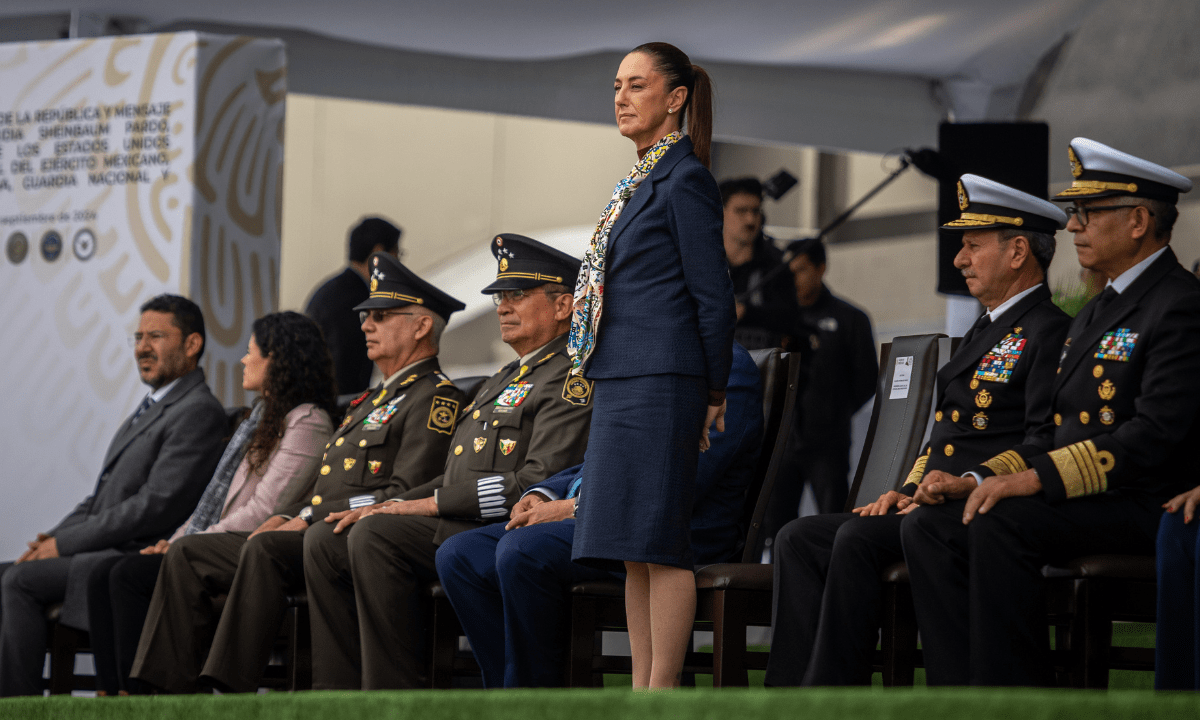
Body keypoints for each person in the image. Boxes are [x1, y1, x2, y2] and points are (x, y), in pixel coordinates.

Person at [902, 137, 1200, 686]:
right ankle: (959, 692)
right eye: (1073, 214)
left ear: (1138, 220)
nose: (1074, 227)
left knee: (1000, 522)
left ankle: (1013, 694)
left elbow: (1155, 434)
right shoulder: (1098, 310)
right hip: (1086, 497)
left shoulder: (1176, 302)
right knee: (940, 524)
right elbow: (1056, 427)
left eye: (1088, 213)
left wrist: (1034, 480)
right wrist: (982, 479)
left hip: (1140, 500)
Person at [765, 175, 1070, 686]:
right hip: (932, 502)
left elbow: (1042, 440)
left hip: (981, 504)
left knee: (858, 538)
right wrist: (905, 489)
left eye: (973, 246)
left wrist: (968, 479)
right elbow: (943, 437)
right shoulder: (988, 326)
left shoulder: (1048, 329)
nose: (959, 259)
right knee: (799, 537)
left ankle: (834, 691)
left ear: (1018, 251)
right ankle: (790, 699)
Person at [130, 256, 465, 693]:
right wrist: (300, 512)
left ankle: (229, 686)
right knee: (191, 552)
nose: (366, 324)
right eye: (366, 315)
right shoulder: (369, 402)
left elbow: (400, 493)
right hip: (322, 526)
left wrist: (306, 516)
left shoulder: (434, 399)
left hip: (360, 531)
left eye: (380, 316)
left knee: (267, 547)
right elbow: (329, 483)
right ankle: (163, 689)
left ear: (422, 327)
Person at [302, 233, 594, 690]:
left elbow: (536, 481)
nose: (502, 306)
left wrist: (424, 505)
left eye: (518, 294)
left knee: (377, 536)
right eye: (500, 295)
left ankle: (394, 696)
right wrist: (386, 504)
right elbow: (451, 475)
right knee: (345, 530)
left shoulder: (571, 377)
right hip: (462, 522)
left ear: (563, 306)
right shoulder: (505, 376)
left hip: (497, 522)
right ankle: (336, 694)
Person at [436, 342, 763, 688]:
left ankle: (537, 701)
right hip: (604, 519)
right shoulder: (638, 355)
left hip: (674, 532)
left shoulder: (724, 366)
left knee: (522, 550)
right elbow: (602, 456)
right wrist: (544, 492)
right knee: (460, 555)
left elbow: (687, 475)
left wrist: (573, 507)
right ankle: (507, 698)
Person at [567, 42, 736, 690]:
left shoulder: (684, 177)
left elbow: (713, 294)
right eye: (616, 85)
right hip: (623, 378)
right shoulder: (641, 178)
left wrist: (714, 389)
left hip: (664, 380)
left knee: (661, 544)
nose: (621, 97)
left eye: (637, 85)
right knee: (632, 548)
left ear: (675, 98)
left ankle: (660, 692)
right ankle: (641, 687)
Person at [85, 311, 336, 695]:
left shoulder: (309, 423)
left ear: (278, 359)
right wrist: (178, 537)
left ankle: (154, 692)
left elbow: (263, 510)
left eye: (252, 351)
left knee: (128, 576)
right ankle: (111, 693)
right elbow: (213, 501)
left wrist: (189, 543)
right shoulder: (259, 419)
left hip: (255, 546)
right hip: (218, 542)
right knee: (104, 572)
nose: (243, 359)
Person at [0, 294, 227, 697]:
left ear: (192, 345)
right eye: (138, 337)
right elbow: (99, 498)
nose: (142, 347)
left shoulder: (197, 410)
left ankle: (16, 705)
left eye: (155, 336)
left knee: (19, 581)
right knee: (6, 571)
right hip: (100, 548)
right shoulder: (151, 407)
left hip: (129, 555)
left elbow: (154, 506)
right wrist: (50, 539)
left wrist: (65, 544)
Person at [768, 237, 877, 529]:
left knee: (834, 523)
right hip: (781, 442)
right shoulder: (776, 321)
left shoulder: (851, 318)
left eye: (800, 270)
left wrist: (833, 412)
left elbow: (867, 380)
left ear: (821, 268)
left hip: (828, 442)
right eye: (788, 272)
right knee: (774, 527)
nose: (793, 279)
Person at [305, 216, 402, 398]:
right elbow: (346, 370)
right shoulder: (355, 300)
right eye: (398, 254)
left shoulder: (330, 291)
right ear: (379, 253)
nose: (400, 265)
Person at [721, 177, 797, 350]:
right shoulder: (700, 264)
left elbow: (791, 318)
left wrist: (746, 312)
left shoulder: (777, 267)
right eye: (741, 211)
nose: (750, 220)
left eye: (755, 211)